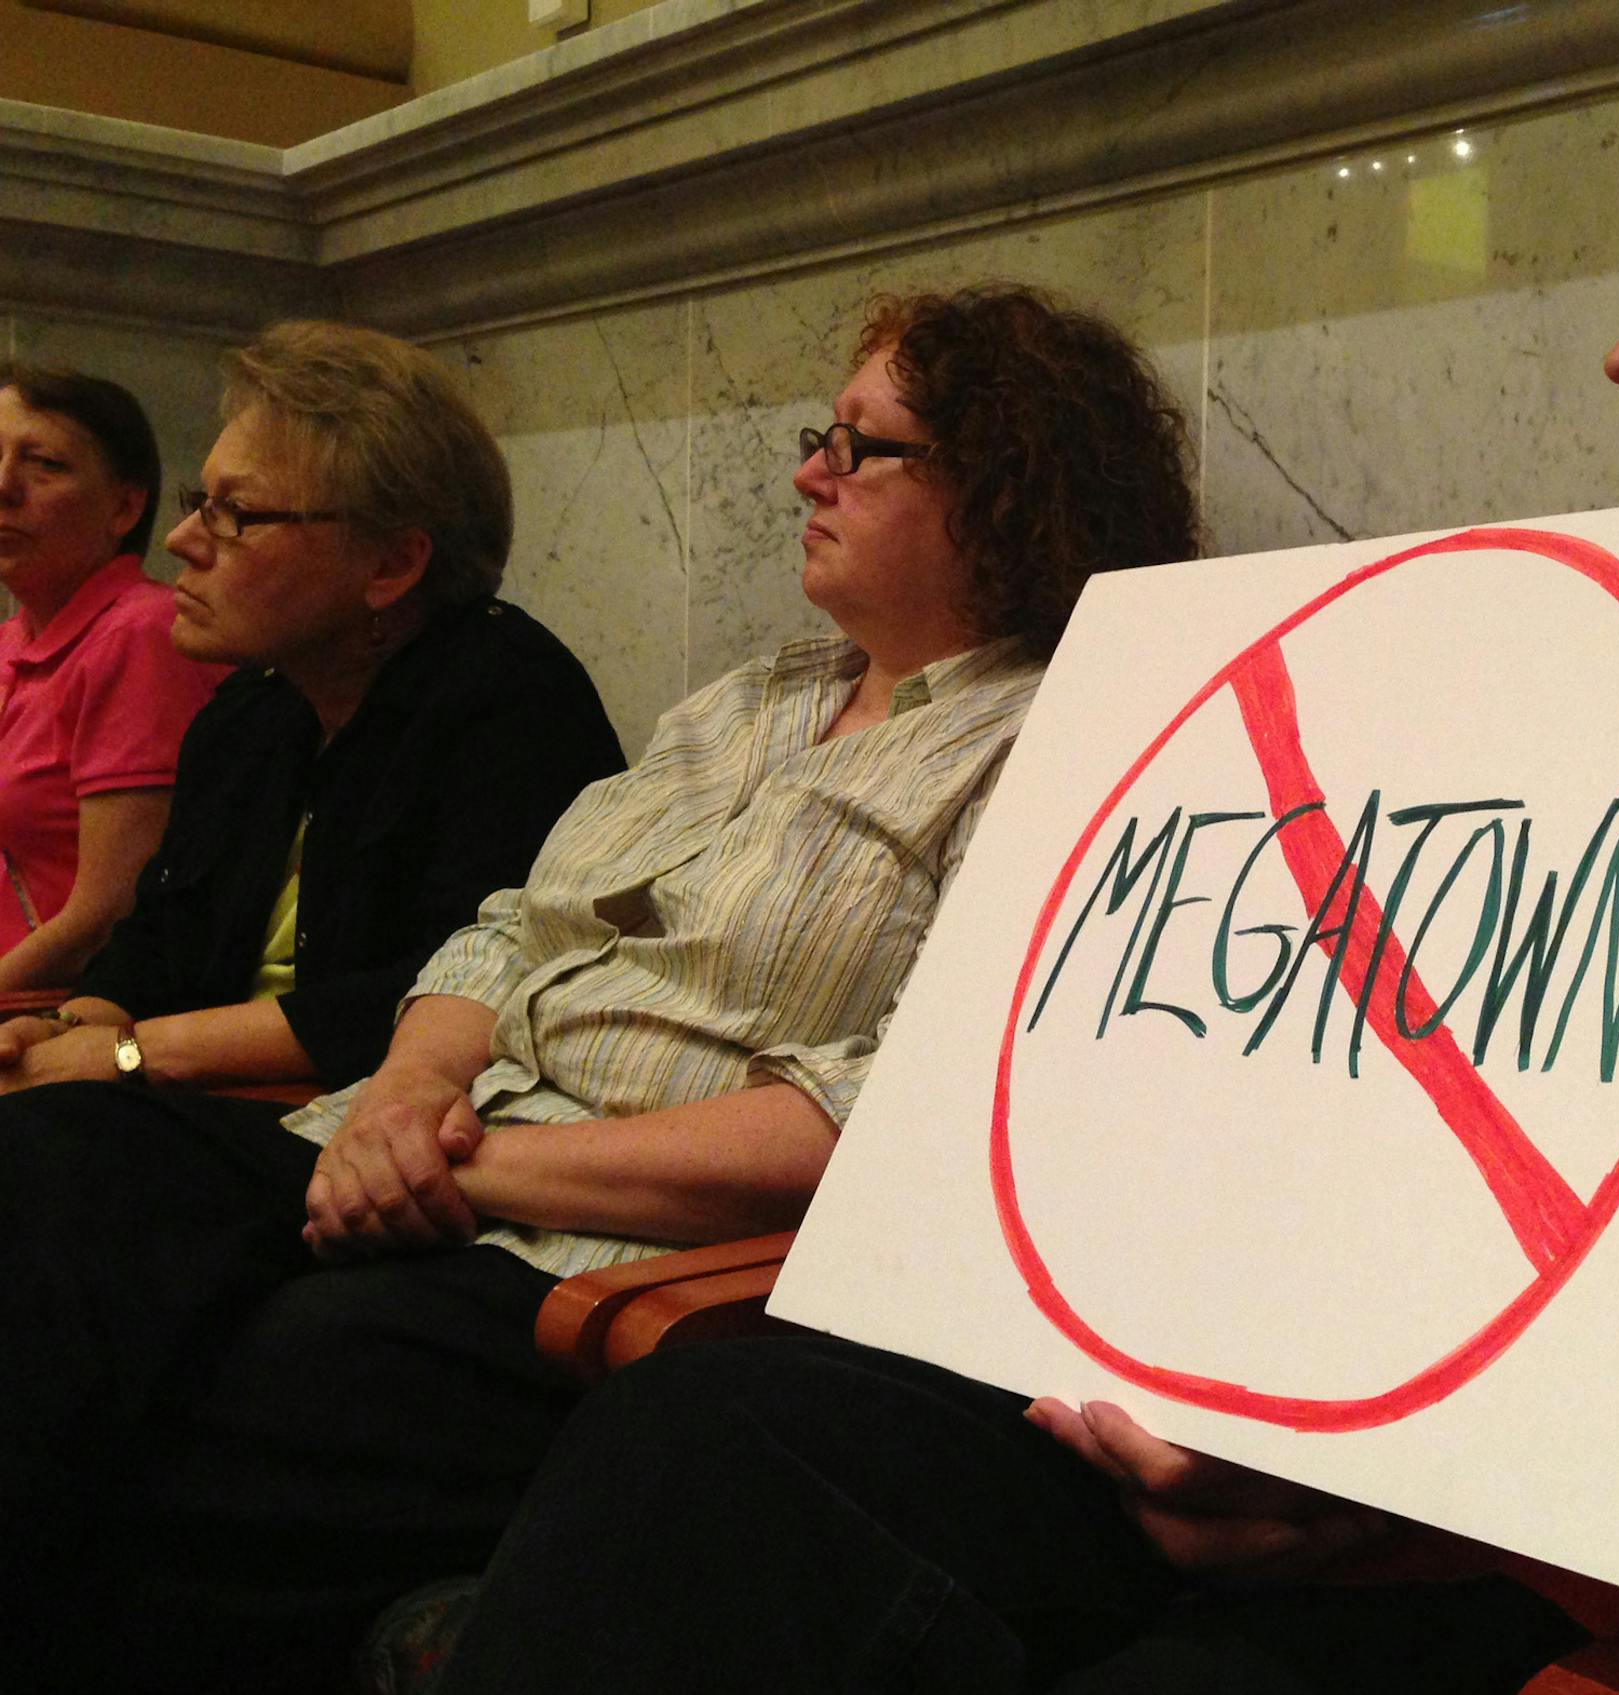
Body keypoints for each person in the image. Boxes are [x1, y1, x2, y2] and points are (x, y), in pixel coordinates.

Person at [430, 45, 1619, 1695]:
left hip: (1607, 1547)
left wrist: (1390, 1420)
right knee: (713, 1450)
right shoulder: (1572, 671)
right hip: (1226, 1419)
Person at [0, 283, 1198, 1694]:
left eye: (861, 446)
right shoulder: (751, 697)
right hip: (415, 1136)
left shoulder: (1067, 734)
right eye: (822, 433)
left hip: (602, 1254)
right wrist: (405, 1090)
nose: (809, 470)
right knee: (58, 1164)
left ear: (1007, 487)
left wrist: (486, 1165)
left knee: (242, 1390)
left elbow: (887, 1110)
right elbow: (507, 928)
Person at [0, 322, 624, 1095]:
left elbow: (462, 986)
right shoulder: (253, 707)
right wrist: (70, 1027)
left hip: (377, 1137)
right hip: (206, 1112)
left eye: (236, 512)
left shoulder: (512, 699)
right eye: (201, 500)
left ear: (391, 563)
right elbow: (158, 939)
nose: (182, 538)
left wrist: (130, 1051)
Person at [0, 364, 223, 993]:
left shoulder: (139, 634)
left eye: (43, 464)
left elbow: (105, 916)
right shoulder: (13, 638)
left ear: (125, 506)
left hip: (64, 1017)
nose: (3, 486)